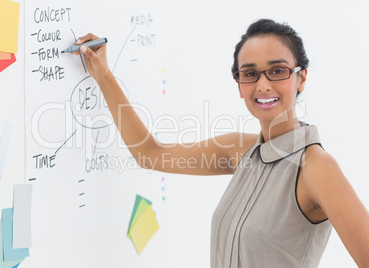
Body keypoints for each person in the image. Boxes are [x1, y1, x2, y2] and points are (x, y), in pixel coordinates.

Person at [74, 19, 369, 267]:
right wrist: (103, 74)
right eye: (250, 74)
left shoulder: (316, 167)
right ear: (239, 85)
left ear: (301, 78)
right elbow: (150, 155)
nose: (263, 84)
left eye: (277, 71)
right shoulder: (240, 151)